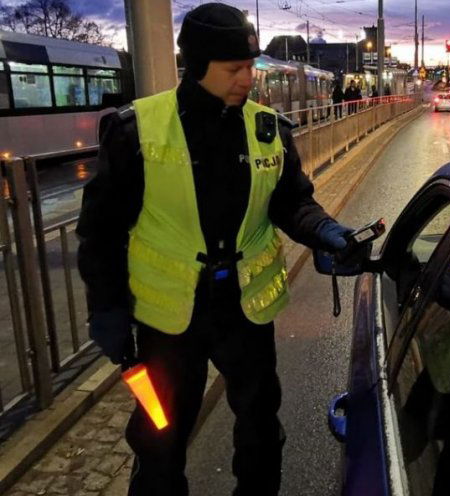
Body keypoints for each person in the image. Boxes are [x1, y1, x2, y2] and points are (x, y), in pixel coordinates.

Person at [76, 4, 363, 495]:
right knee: (158, 438)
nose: (248, 79)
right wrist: (107, 308)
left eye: (250, 66)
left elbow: (292, 202)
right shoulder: (135, 130)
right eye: (235, 69)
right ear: (198, 64)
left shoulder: (267, 126)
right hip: (166, 322)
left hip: (245, 313)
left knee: (259, 428)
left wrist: (326, 231)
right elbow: (100, 232)